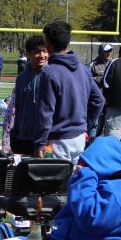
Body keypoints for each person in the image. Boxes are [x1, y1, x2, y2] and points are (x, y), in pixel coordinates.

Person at [33, 21, 105, 164]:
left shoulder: (49, 72)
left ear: (49, 44)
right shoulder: (83, 69)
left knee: (56, 178)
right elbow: (99, 100)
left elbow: (46, 112)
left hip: (58, 139)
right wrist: (84, 126)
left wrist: (39, 143)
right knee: (74, 177)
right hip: (79, 138)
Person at [7, 35, 51, 157]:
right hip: (23, 137)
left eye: (45, 51)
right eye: (37, 52)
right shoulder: (21, 78)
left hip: (46, 139)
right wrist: (14, 133)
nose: (42, 55)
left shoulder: (52, 75)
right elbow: (19, 108)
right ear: (28, 54)